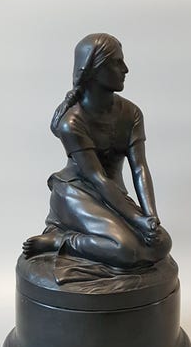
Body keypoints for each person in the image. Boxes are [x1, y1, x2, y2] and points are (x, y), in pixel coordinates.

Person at [23, 33, 172, 269]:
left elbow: (140, 168)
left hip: (113, 194)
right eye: (117, 62)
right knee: (124, 249)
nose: (126, 69)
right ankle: (60, 240)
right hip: (77, 191)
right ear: (95, 70)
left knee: (161, 244)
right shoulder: (72, 122)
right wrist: (137, 219)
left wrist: (150, 218)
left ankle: (118, 240)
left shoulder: (131, 113)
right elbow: (97, 178)